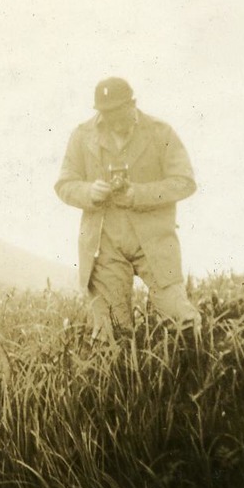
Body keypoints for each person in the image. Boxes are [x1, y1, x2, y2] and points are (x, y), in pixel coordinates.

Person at [54, 77, 201, 341]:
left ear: (132, 104)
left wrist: (139, 194)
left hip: (154, 242)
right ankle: (125, 382)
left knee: (181, 321)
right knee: (113, 334)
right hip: (105, 244)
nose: (113, 119)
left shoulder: (160, 132)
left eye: (118, 111)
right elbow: (65, 184)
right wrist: (89, 192)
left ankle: (194, 377)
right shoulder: (82, 135)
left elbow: (185, 182)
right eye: (106, 113)